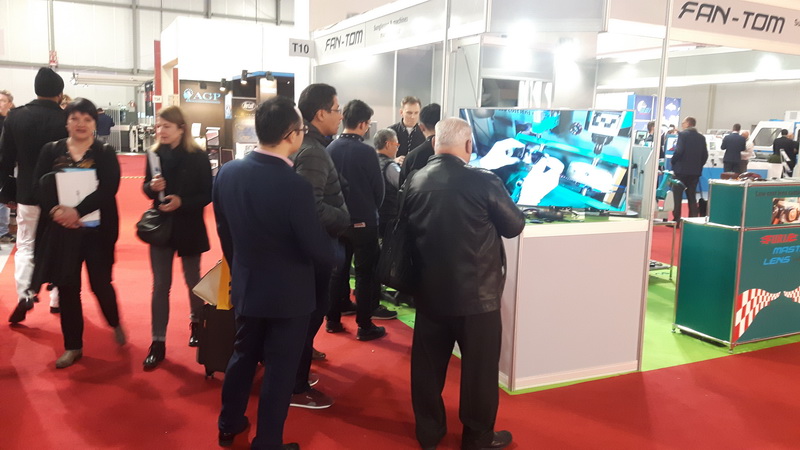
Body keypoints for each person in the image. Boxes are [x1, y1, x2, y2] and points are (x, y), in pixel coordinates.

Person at [214, 96, 335, 450]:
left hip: (247, 285)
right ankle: (267, 442)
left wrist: (241, 266)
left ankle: (229, 423)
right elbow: (315, 247)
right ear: (291, 134)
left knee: (242, 356)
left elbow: (224, 233)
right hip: (289, 296)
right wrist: (334, 254)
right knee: (280, 372)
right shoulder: (295, 185)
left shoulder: (227, 173)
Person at [405, 117, 525, 450]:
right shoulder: (484, 181)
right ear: (469, 145)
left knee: (427, 370)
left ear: (434, 144)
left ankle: (429, 432)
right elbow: (514, 225)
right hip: (478, 296)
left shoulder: (415, 180)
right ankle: (477, 438)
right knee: (479, 373)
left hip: (429, 292)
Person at [31, 98, 124, 368]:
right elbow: (39, 186)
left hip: (97, 232)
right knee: (68, 288)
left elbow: (109, 189)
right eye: (75, 118)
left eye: (87, 119)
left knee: (100, 283)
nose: (80, 124)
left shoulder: (104, 152)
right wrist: (56, 212)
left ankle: (114, 321)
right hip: (63, 231)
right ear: (67, 122)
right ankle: (73, 346)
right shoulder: (51, 150)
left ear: (94, 123)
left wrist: (77, 211)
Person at [289, 83, 350, 410]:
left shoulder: (310, 145)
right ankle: (295, 385)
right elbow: (309, 207)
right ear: (320, 113)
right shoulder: (313, 151)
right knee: (309, 316)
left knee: (308, 315)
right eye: (337, 109)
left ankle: (296, 377)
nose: (340, 116)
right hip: (315, 248)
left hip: (311, 248)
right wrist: (343, 217)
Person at [141, 105, 213, 370]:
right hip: (161, 227)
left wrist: (182, 201)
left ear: (181, 128)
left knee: (193, 281)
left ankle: (197, 324)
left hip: (189, 225)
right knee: (161, 285)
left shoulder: (198, 156)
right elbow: (146, 188)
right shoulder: (154, 155)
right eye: (158, 126)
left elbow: (208, 193)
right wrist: (151, 187)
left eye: (166, 126)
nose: (161, 131)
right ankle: (157, 342)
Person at [1, 67, 67, 323]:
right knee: (60, 245)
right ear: (60, 92)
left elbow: (5, 160)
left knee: (26, 244)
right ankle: (57, 299)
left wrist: (8, 191)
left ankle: (24, 293)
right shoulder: (67, 119)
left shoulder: (16, 117)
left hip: (27, 191)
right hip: (61, 193)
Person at [326, 99, 394, 343]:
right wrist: (371, 209)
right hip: (364, 222)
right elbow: (379, 189)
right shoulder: (367, 152)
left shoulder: (329, 149)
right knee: (366, 274)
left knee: (338, 271)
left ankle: (332, 319)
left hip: (337, 220)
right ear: (364, 124)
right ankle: (364, 326)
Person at [671, 116, 708, 226]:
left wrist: (673, 162)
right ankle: (692, 220)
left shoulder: (682, 135)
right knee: (692, 196)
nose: (682, 125)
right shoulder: (701, 137)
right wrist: (699, 166)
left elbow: (679, 151)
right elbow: (705, 155)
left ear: (688, 123)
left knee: (677, 196)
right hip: (694, 172)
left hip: (681, 171)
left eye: (683, 123)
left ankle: (676, 220)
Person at [399, 103, 441, 186]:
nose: (412, 117)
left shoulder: (412, 157)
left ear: (421, 127)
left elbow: (403, 189)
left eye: (416, 113)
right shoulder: (455, 153)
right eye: (409, 113)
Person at [374, 128, 401, 237]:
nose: (397, 149)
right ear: (388, 144)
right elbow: (404, 186)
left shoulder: (370, 161)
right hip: (389, 217)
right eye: (397, 145)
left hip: (374, 215)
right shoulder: (391, 167)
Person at [0, 89, 15, 244]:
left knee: (3, 200)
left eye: (3, 100)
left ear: (9, 104)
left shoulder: (10, 122)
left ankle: (3, 232)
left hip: (5, 167)